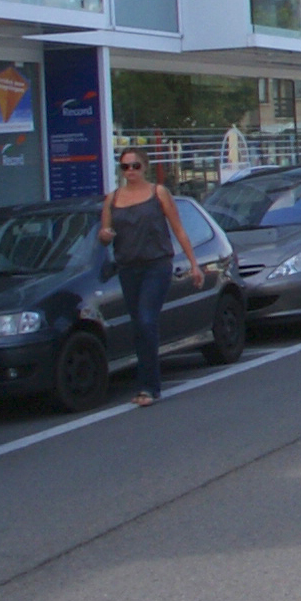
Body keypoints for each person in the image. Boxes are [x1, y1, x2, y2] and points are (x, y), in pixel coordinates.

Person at [102, 148, 202, 407]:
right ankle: (144, 381)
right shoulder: (112, 199)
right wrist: (105, 236)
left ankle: (149, 386)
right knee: (138, 325)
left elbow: (178, 229)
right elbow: (104, 232)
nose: (131, 171)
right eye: (125, 167)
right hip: (128, 268)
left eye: (135, 166)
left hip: (156, 266)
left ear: (144, 167)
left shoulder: (158, 193)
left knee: (147, 321)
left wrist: (194, 264)